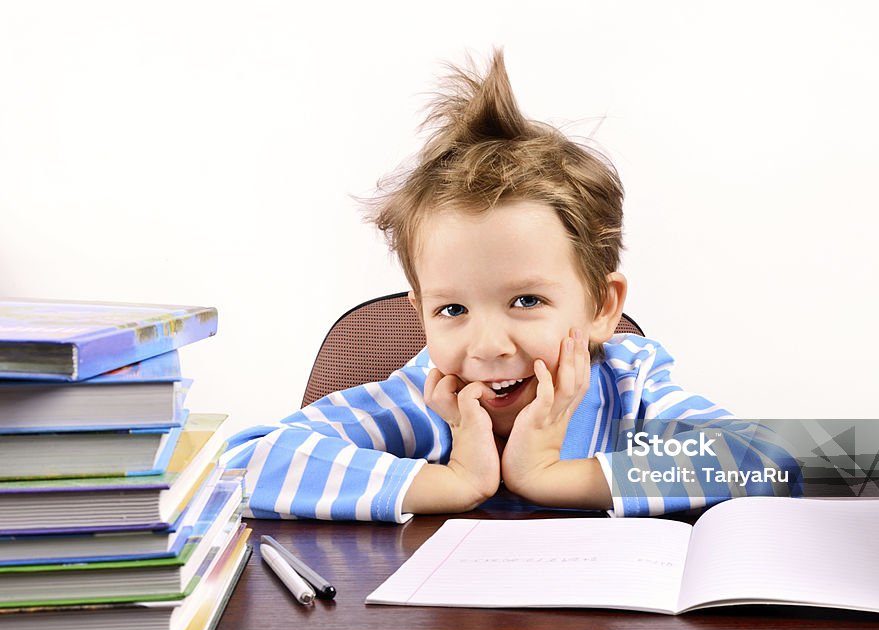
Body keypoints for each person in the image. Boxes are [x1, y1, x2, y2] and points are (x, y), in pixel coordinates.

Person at [223, 50, 800, 522]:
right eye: (452, 308)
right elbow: (238, 463)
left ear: (602, 306)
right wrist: (449, 482)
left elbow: (770, 461)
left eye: (526, 301)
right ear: (421, 315)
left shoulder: (633, 385)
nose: (489, 345)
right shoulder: (421, 400)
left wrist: (551, 475)